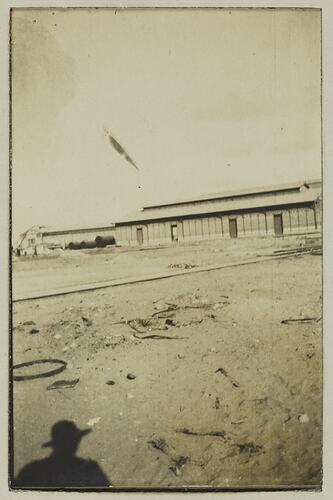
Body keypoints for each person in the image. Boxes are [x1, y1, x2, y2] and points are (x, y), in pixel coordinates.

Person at [14, 420, 111, 488]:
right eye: (70, 441)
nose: (74, 445)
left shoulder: (33, 470)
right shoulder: (88, 469)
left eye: (74, 441)